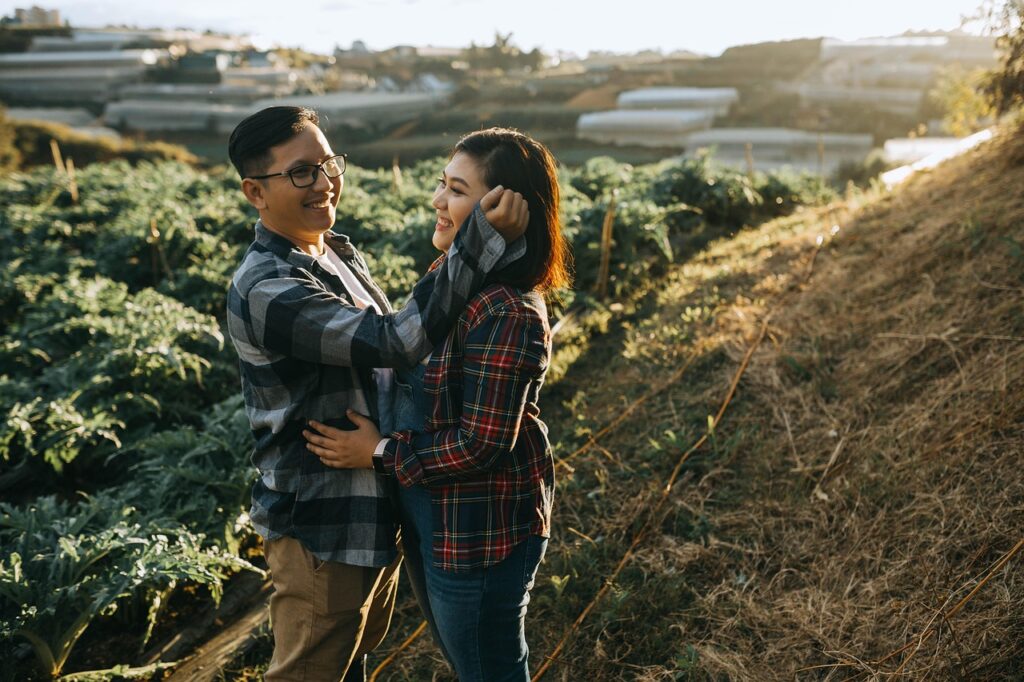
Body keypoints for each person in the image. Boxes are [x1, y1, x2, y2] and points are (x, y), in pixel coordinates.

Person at [225, 108, 529, 682]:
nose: (323, 182)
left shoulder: (330, 250)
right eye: (300, 173)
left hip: (367, 503)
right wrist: (482, 240)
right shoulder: (268, 286)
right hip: (323, 521)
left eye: (326, 164)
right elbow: (397, 341)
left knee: (352, 660)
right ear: (254, 192)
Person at [303, 127, 572, 681]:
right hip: (436, 518)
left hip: (479, 527)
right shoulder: (455, 279)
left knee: (488, 668)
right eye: (441, 184)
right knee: (470, 659)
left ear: (502, 206)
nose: (437, 201)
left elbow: (482, 445)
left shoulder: (505, 311)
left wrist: (375, 451)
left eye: (456, 189)